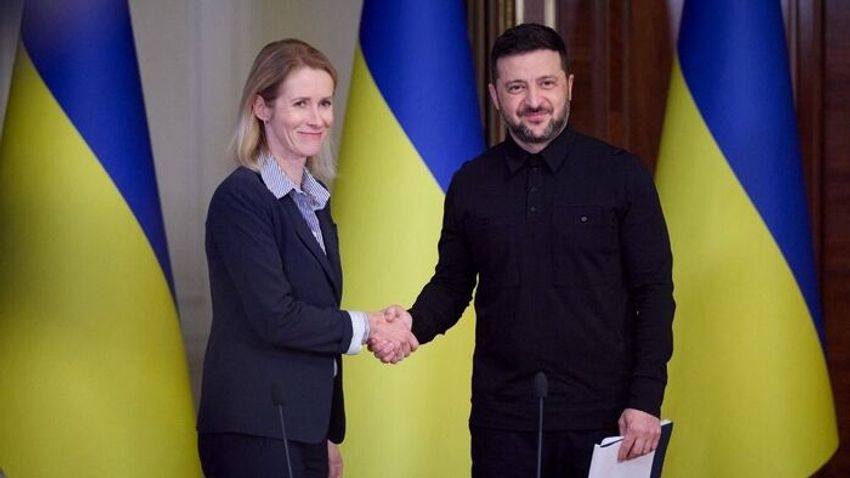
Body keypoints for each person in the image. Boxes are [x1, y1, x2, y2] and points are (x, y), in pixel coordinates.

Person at [376, 24, 675, 477]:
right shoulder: (471, 184)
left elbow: (653, 294)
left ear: (568, 86)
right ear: (495, 96)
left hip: (608, 418)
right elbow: (453, 284)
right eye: (517, 87)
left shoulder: (622, 175)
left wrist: (645, 400)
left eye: (546, 83)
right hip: (503, 422)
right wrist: (412, 325)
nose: (534, 101)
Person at [197, 39, 418, 478]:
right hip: (256, 429)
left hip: (303, 426)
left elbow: (317, 311)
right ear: (262, 107)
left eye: (325, 103)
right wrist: (370, 327)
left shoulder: (314, 200)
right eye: (300, 104)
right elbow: (275, 317)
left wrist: (326, 433)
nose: (317, 119)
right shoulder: (241, 199)